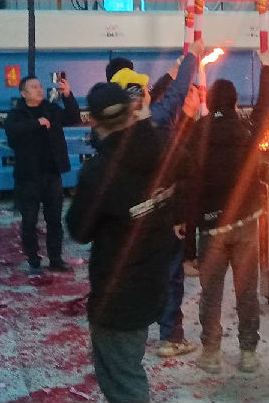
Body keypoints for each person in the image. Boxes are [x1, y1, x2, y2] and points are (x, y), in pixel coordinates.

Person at [65, 46, 198, 403]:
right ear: (132, 109)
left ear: (94, 122)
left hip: (117, 295)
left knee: (122, 378)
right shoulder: (162, 145)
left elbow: (79, 230)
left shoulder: (99, 173)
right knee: (130, 363)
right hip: (153, 279)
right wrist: (174, 212)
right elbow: (189, 173)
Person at [181, 50, 269, 374]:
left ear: (209, 101)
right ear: (235, 102)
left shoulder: (196, 134)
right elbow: (266, 107)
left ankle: (210, 353)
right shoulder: (247, 130)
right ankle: (248, 353)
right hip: (246, 224)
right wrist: (266, 68)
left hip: (211, 229)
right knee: (247, 292)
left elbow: (188, 187)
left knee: (211, 293)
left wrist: (188, 246)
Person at [4, 73, 81, 275]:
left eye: (39, 86)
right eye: (34, 87)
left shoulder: (51, 109)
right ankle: (33, 259)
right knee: (29, 220)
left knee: (54, 219)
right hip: (28, 176)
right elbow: (12, 130)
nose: (39, 90)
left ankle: (56, 259)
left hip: (51, 173)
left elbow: (73, 118)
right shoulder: (17, 114)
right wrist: (37, 123)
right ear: (23, 93)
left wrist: (68, 95)